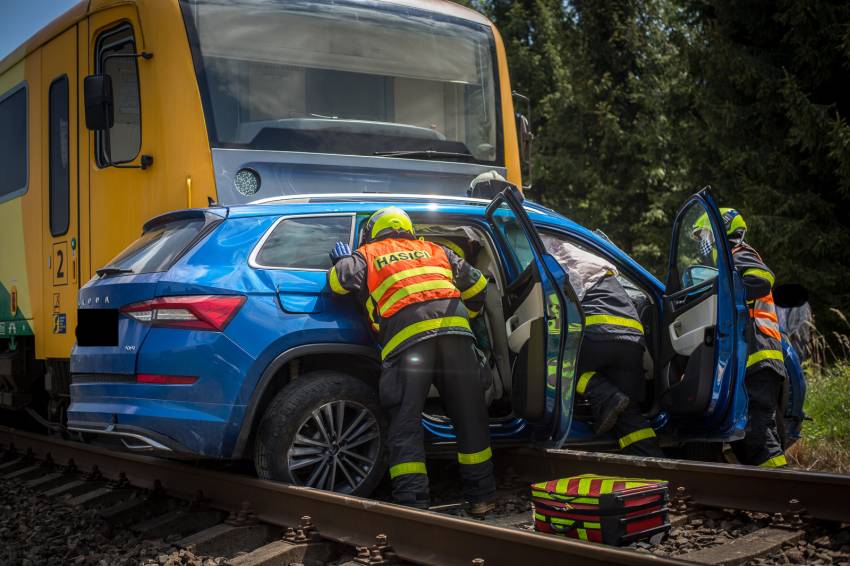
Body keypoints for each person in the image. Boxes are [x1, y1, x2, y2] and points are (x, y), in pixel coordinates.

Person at [327, 206, 496, 513]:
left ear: (372, 232)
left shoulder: (367, 253)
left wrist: (343, 260)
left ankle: (413, 503)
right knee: (470, 417)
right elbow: (478, 286)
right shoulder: (436, 249)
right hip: (456, 335)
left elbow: (338, 283)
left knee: (405, 422)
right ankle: (481, 497)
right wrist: (467, 317)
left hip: (409, 343)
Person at [542, 235, 664, 457]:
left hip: (598, 332)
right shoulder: (599, 263)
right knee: (628, 416)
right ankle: (656, 467)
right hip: (632, 341)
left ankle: (602, 393)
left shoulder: (558, 257)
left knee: (549, 364)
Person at [693, 208, 787, 468]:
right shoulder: (728, 262)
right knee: (746, 434)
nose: (701, 242)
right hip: (753, 358)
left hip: (760, 355)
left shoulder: (739, 253)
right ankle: (771, 493)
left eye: (703, 235)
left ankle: (788, 492)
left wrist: (731, 295)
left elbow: (763, 278)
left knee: (756, 435)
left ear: (719, 231)